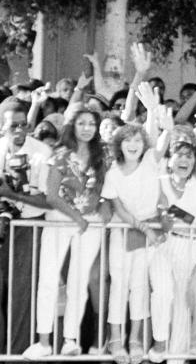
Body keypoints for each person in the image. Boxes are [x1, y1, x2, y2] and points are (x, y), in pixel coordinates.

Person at [24, 108, 109, 359]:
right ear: (72, 126)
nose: (87, 128)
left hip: (90, 225)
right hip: (61, 221)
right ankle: (44, 341)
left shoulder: (101, 156)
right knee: (48, 279)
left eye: (91, 123)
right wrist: (76, 217)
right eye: (81, 123)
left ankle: (69, 339)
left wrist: (104, 206)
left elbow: (106, 189)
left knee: (79, 282)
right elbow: (51, 195)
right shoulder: (59, 155)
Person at [148, 106, 196, 363]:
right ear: (170, 158)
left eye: (189, 154)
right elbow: (163, 215)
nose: (185, 159)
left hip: (193, 248)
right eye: (179, 154)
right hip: (164, 246)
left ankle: (176, 358)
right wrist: (165, 128)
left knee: (182, 307)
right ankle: (159, 344)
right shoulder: (160, 179)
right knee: (164, 292)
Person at [101, 123, 163, 364]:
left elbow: (161, 139)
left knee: (139, 286)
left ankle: (135, 339)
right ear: (119, 144)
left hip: (147, 233)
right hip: (124, 232)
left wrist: (151, 109)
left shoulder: (149, 162)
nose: (133, 145)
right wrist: (144, 228)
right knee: (120, 285)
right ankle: (116, 339)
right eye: (128, 140)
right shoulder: (113, 173)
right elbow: (120, 209)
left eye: (138, 140)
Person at [0, 102, 51, 355]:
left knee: (20, 295)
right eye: (13, 126)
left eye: (24, 125)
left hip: (28, 229)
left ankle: (16, 355)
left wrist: (13, 195)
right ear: (2, 127)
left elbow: (47, 200)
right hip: (2, 225)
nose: (19, 130)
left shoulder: (42, 152)